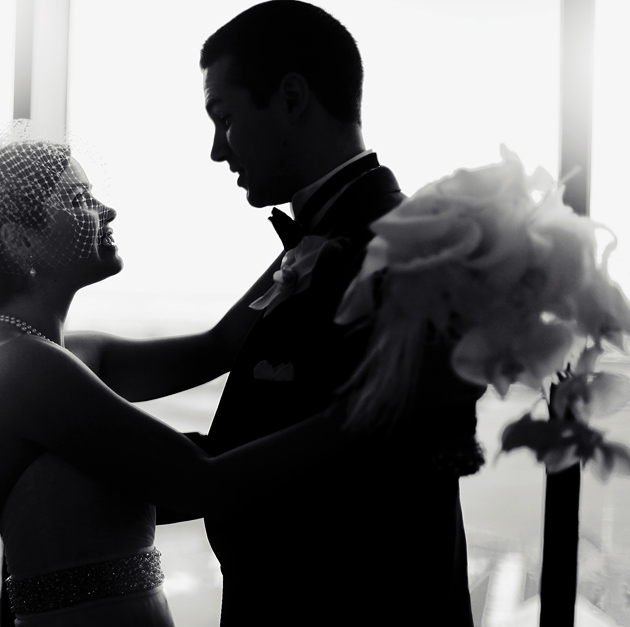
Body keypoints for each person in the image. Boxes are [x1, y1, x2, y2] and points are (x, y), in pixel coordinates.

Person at [0, 127, 346, 627]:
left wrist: (309, 239)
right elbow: (198, 484)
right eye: (79, 200)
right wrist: (364, 411)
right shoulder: (19, 366)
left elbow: (220, 347)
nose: (107, 211)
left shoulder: (68, 352)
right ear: (20, 240)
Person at [178, 1, 487, 625]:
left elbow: (358, 486)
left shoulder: (399, 259)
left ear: (291, 98)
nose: (217, 150)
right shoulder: (336, 238)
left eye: (225, 118)